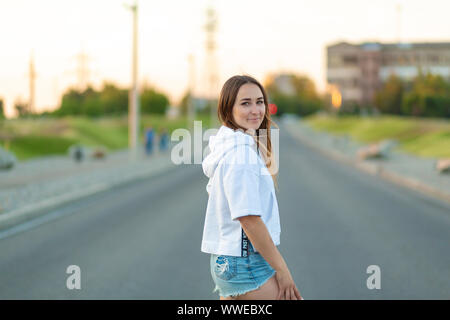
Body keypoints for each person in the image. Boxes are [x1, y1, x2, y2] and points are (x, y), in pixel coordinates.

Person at [201, 75, 303, 300]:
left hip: (227, 260)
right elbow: (248, 218)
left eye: (259, 101)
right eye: (245, 103)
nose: (256, 109)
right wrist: (282, 269)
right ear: (229, 109)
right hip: (245, 262)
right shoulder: (241, 154)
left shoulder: (230, 147)